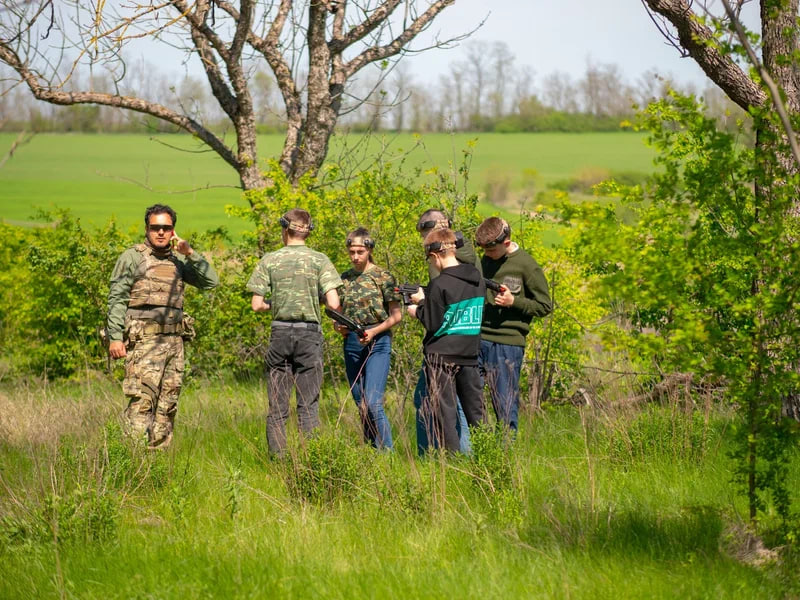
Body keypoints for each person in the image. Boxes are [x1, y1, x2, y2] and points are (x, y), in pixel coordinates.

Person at [107, 203, 219, 449]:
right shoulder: (132, 257)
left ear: (173, 231)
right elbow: (117, 298)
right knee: (142, 403)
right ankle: (131, 462)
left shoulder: (178, 260)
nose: (160, 232)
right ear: (146, 229)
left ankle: (156, 468)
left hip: (174, 344)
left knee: (167, 407)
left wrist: (190, 253)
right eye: (155, 227)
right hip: (143, 343)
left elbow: (211, 281)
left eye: (166, 228)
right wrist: (115, 337)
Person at [247, 208, 342, 455]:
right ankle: (311, 460)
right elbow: (333, 303)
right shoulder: (320, 260)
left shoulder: (269, 259)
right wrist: (313, 299)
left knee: (277, 407)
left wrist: (276, 303)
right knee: (308, 405)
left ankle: (278, 461)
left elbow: (257, 305)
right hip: (309, 334)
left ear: (284, 229)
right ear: (309, 232)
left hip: (279, 333)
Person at [407, 228, 486, 452]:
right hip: (470, 353)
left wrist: (419, 306)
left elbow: (433, 322)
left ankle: (452, 466)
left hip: (441, 358)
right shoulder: (478, 281)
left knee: (446, 415)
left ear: (434, 256)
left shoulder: (439, 285)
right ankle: (489, 459)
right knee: (477, 413)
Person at [476, 217, 552, 433]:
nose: (488, 255)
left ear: (506, 243)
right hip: (478, 339)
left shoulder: (527, 265)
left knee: (505, 405)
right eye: (484, 251)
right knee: (471, 400)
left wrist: (514, 302)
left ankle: (506, 457)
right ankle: (482, 449)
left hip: (507, 345)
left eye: (491, 251)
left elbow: (545, 306)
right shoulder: (484, 262)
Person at [335, 228, 403, 450]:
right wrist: (339, 326)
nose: (355, 256)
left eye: (360, 251)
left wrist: (374, 332)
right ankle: (371, 449)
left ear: (369, 250)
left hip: (378, 340)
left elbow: (396, 315)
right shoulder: (344, 278)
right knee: (360, 402)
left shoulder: (383, 277)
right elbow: (338, 312)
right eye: (352, 251)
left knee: (373, 401)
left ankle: (387, 453)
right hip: (352, 342)